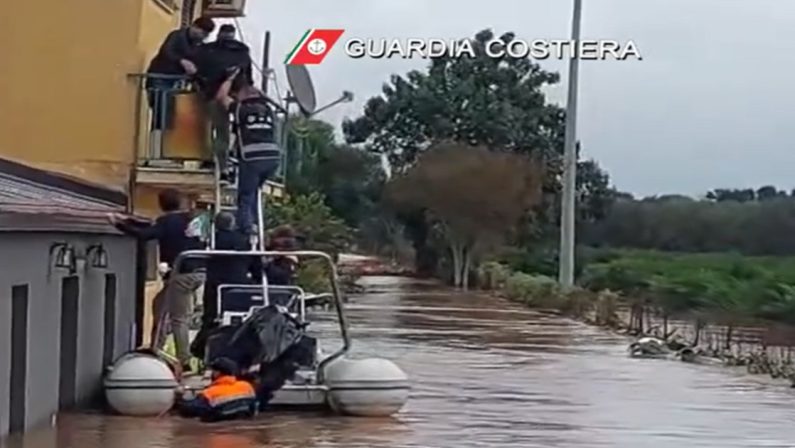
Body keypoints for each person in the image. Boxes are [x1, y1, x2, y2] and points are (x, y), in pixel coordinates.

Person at [109, 189, 206, 374]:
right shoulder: (191, 220)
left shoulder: (167, 222)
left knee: (177, 317)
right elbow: (149, 225)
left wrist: (119, 225)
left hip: (181, 273)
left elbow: (146, 234)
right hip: (198, 271)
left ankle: (184, 360)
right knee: (160, 306)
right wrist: (126, 219)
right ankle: (156, 347)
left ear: (162, 205)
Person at [216, 69, 282, 235]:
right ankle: (254, 224)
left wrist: (229, 78)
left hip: (252, 158)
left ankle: (246, 229)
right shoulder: (268, 110)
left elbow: (221, 97)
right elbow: (261, 96)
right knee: (254, 193)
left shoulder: (240, 109)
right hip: (272, 159)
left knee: (245, 196)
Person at [191, 212, 263, 361]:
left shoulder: (211, 241)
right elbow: (254, 264)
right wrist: (257, 278)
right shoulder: (244, 241)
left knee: (210, 319)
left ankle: (202, 352)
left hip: (215, 286)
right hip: (240, 287)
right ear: (232, 224)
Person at [194, 24, 254, 179]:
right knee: (228, 132)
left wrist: (202, 86)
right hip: (236, 97)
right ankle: (226, 163)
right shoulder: (242, 51)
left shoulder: (208, 50)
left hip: (213, 95)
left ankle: (213, 161)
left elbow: (199, 72)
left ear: (219, 34)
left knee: (213, 129)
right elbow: (248, 76)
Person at [145, 17, 215, 142]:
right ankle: (156, 150)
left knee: (172, 117)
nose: (203, 37)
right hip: (160, 77)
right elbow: (167, 51)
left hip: (176, 83)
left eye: (206, 35)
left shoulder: (199, 45)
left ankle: (166, 152)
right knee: (161, 113)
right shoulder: (177, 36)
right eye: (202, 32)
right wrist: (182, 61)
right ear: (194, 26)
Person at [177, 357, 257, 422]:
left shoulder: (210, 394)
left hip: (218, 437)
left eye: (213, 370)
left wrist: (179, 397)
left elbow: (187, 411)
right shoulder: (247, 386)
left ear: (217, 373)